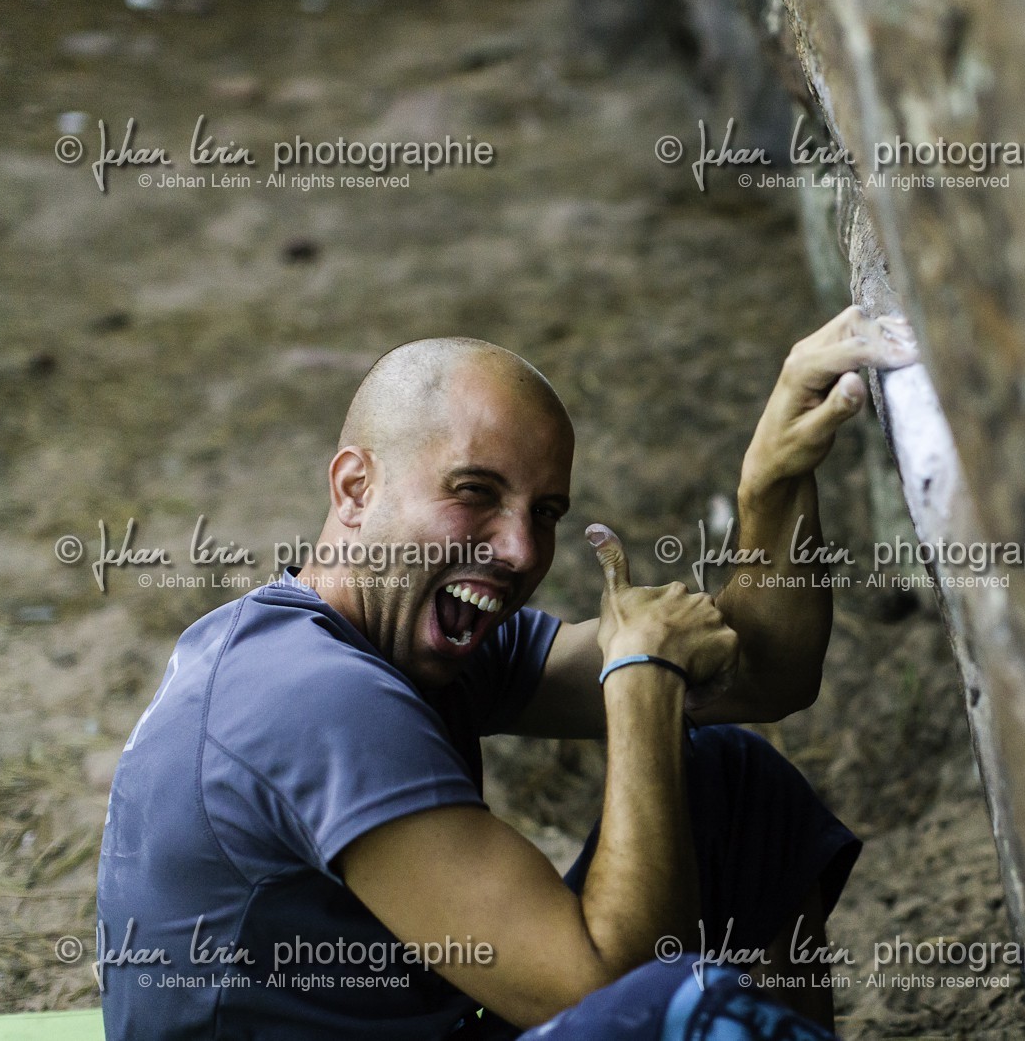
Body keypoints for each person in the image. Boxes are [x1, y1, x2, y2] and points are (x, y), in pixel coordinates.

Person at [95, 307, 919, 1039]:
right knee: (672, 1001)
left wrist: (769, 487)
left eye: (545, 512)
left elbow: (761, 676)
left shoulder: (408, 638)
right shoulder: (313, 695)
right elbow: (608, 985)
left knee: (736, 789)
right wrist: (639, 685)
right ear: (355, 487)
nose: (522, 549)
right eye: (474, 492)